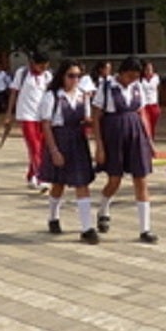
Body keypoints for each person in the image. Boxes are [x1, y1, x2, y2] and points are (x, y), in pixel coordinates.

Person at [92, 56, 158, 243]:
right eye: (129, 76)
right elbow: (96, 117)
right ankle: (103, 209)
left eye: (136, 77)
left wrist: (150, 141)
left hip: (136, 135)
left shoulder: (138, 87)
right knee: (115, 180)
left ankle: (145, 229)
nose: (132, 80)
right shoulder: (106, 88)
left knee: (141, 179)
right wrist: (99, 146)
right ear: (121, 72)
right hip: (114, 135)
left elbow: (142, 113)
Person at [39, 59, 100, 243]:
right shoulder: (52, 96)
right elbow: (46, 125)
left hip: (78, 140)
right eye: (71, 76)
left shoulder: (83, 95)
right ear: (62, 76)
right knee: (59, 183)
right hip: (60, 139)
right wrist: (54, 151)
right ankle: (53, 216)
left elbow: (86, 119)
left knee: (82, 183)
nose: (75, 80)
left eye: (78, 76)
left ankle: (87, 227)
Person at [5, 52, 53, 190]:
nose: (43, 68)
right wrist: (9, 113)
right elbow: (14, 93)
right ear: (33, 63)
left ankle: (31, 174)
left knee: (42, 148)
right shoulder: (23, 73)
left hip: (42, 116)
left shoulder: (48, 76)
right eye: (41, 65)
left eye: (46, 66)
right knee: (34, 146)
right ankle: (41, 177)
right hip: (27, 115)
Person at [139, 60, 162, 140]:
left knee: (153, 123)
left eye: (150, 69)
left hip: (154, 103)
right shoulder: (141, 79)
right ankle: (147, 138)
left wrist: (158, 103)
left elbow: (158, 90)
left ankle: (151, 137)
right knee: (145, 123)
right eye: (147, 69)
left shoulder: (156, 78)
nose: (148, 71)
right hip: (144, 105)